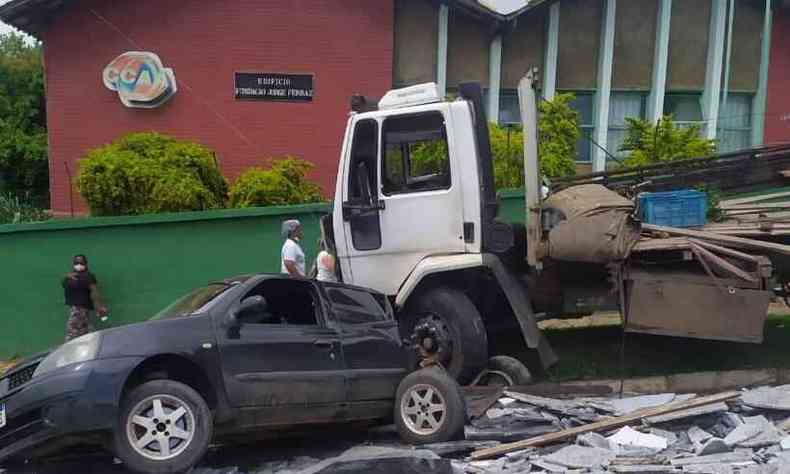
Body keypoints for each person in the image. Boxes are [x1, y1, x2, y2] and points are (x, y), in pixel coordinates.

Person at [62, 254, 108, 341]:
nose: (79, 265)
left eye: (81, 263)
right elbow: (64, 284)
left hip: (80, 308)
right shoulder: (70, 276)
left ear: (85, 264)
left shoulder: (88, 276)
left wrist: (99, 307)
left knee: (71, 333)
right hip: (75, 308)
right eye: (76, 262)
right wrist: (66, 277)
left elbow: (94, 292)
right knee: (86, 332)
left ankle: (69, 352)